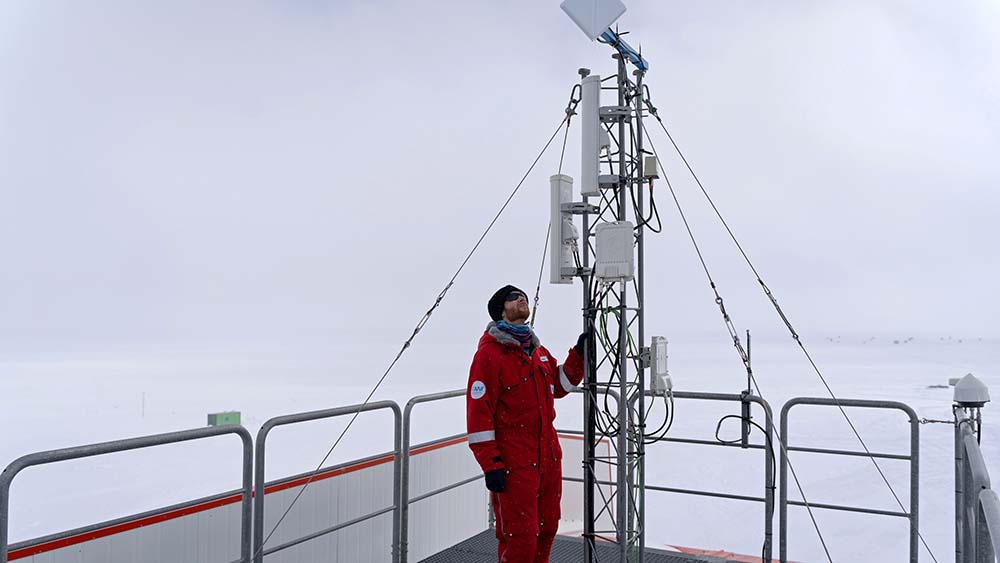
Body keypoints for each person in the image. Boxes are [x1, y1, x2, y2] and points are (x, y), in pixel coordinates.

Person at [466, 284, 587, 563]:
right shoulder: (489, 355)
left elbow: (560, 384)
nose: (521, 298)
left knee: (547, 530)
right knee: (520, 538)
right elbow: (478, 415)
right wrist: (491, 465)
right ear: (501, 311)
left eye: (522, 295)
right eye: (512, 297)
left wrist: (579, 354)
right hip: (513, 464)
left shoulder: (537, 351)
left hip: (547, 459)